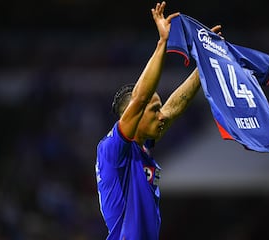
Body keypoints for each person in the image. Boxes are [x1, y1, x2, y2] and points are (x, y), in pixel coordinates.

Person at [95, 2, 221, 239]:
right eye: (154, 110)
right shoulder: (112, 150)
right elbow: (141, 97)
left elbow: (174, 108)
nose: (161, 115)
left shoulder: (141, 147)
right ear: (134, 115)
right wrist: (162, 43)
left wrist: (203, 64)